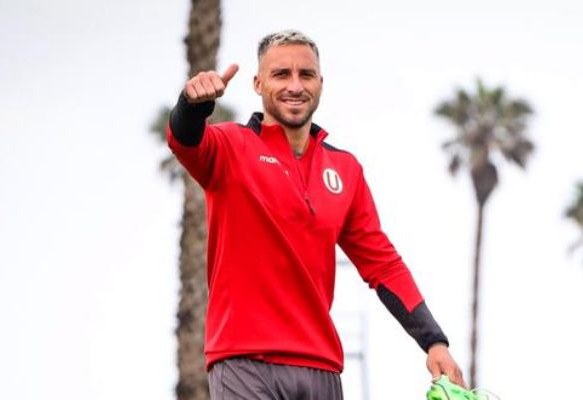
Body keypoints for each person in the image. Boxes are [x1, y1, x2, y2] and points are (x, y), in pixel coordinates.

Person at [167, 29, 465, 399]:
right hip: (244, 362)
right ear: (258, 83)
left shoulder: (345, 169)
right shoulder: (229, 147)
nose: (295, 85)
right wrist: (191, 105)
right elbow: (184, 138)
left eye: (306, 75)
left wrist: (434, 342)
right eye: (281, 74)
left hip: (321, 368)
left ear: (320, 84)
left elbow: (383, 265)